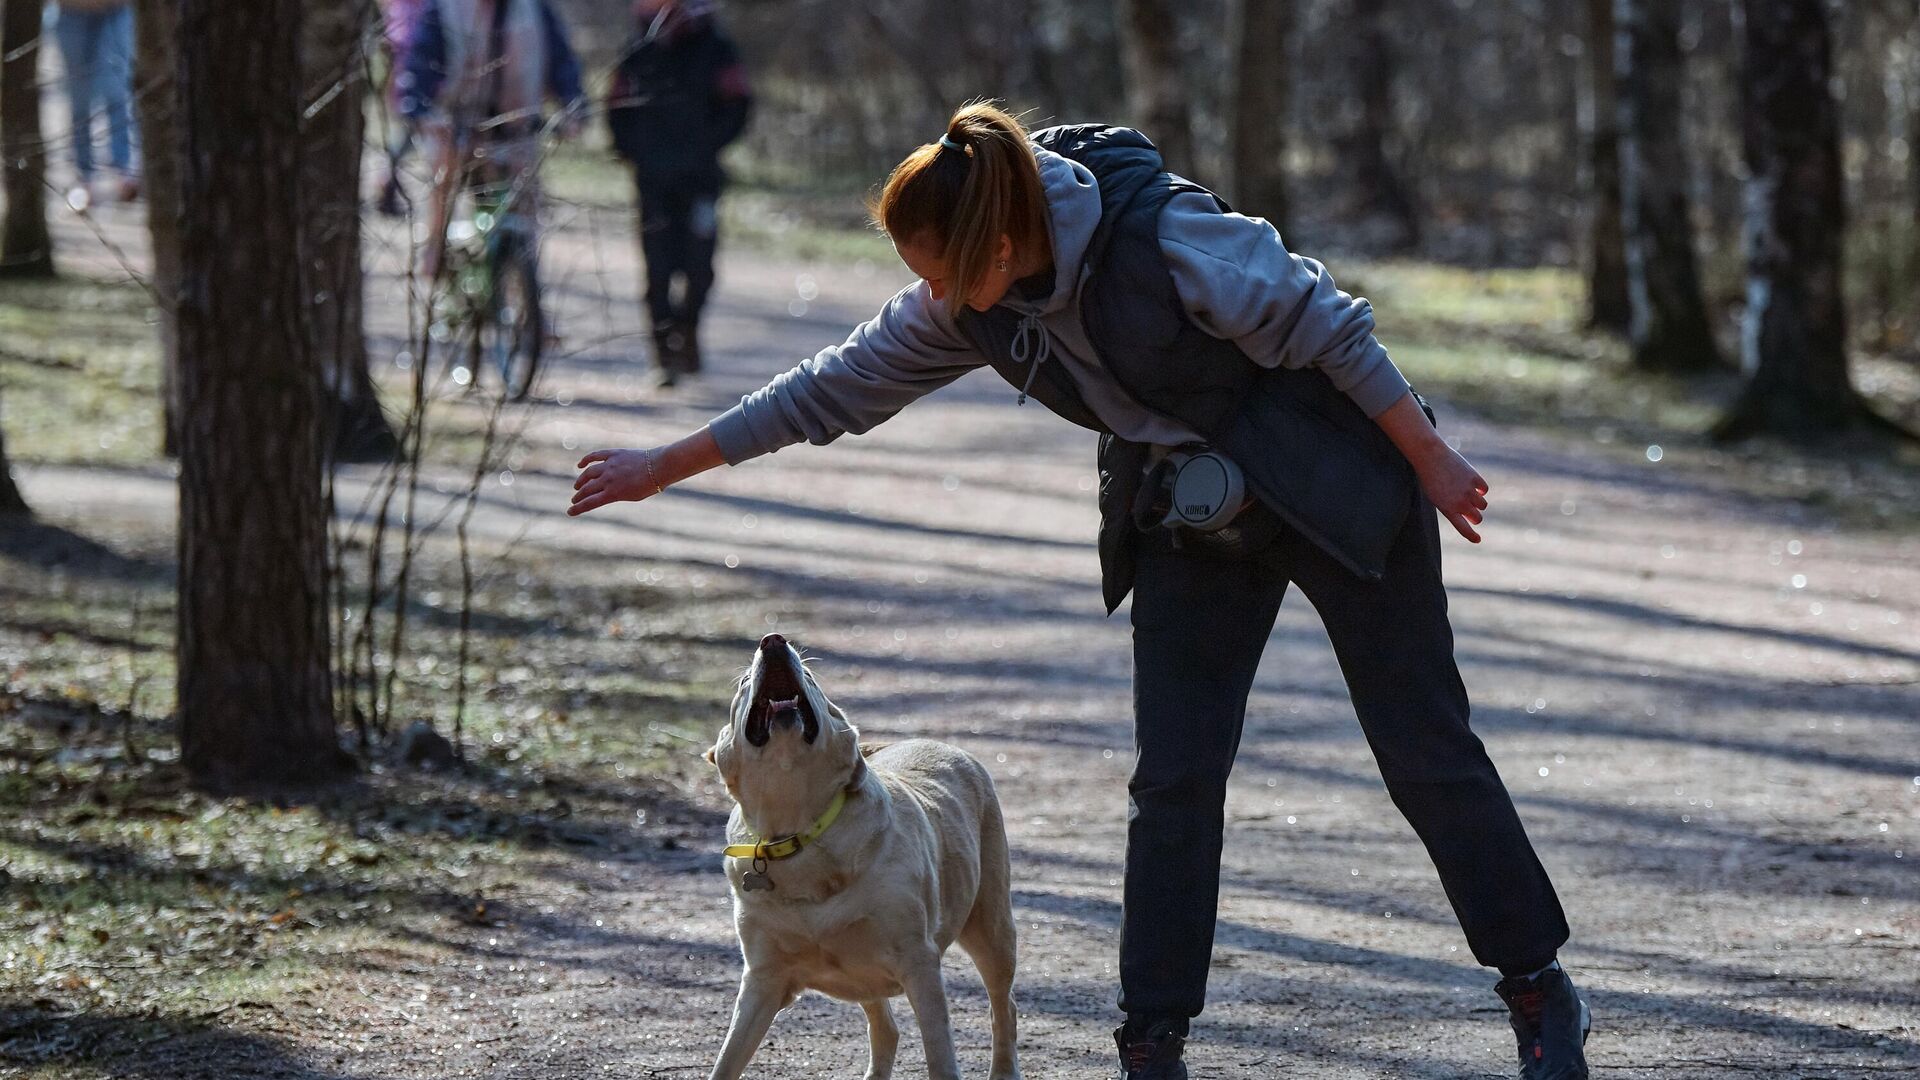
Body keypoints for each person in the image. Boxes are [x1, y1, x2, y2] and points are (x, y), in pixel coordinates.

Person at [568, 103, 1590, 1080]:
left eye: (940, 276)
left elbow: (1327, 320)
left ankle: (1537, 988)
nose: (932, 299)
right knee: (1174, 780)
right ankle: (1151, 1041)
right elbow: (829, 387)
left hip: (1337, 477)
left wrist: (1434, 458)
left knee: (1424, 750)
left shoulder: (1167, 237)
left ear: (1000, 249)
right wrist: (663, 464)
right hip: (1190, 507)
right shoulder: (970, 301)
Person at [605, 0, 752, 387]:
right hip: (652, 180)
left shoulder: (717, 48)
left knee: (700, 266)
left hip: (701, 179)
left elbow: (739, 103)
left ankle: (687, 332)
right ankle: (662, 355)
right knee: (657, 267)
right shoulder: (638, 48)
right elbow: (616, 105)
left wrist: (708, 145)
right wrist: (630, 149)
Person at [398, 0, 586, 277]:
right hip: (458, 127)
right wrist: (421, 109)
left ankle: (526, 295)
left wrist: (573, 107)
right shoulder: (447, 9)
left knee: (525, 210)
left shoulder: (534, 9)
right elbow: (421, 63)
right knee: (442, 178)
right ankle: (434, 252)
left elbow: (562, 61)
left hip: (517, 129)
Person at [53, 0, 139, 205]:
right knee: (79, 101)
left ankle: (124, 171)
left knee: (117, 93)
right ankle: (84, 179)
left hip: (115, 12)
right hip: (71, 14)